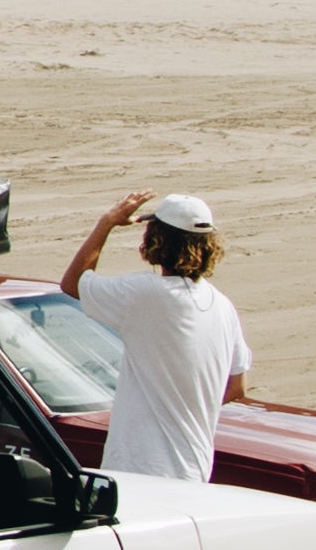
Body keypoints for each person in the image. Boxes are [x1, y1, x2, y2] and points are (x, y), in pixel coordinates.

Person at [57, 188, 250, 485]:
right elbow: (237, 387)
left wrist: (106, 223)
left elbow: (73, 283)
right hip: (194, 469)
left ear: (156, 240)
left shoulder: (145, 293)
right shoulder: (223, 306)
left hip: (141, 470)